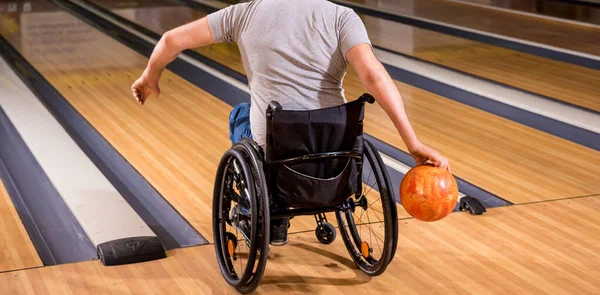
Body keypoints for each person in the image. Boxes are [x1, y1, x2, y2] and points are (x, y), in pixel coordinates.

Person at [132, 0, 450, 246]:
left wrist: (150, 77)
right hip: (334, 150)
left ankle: (260, 212)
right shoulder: (342, 17)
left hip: (275, 150)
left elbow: (171, 40)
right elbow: (374, 76)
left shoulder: (242, 14)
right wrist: (413, 144)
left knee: (240, 114)